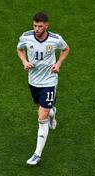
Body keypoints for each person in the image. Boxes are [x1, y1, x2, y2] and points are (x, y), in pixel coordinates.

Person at [17, 12, 70, 165]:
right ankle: (53, 112)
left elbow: (66, 49)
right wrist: (24, 62)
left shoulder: (55, 39)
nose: (37, 29)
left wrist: (58, 64)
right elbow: (20, 50)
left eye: (40, 26)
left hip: (49, 81)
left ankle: (37, 154)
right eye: (34, 26)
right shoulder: (26, 37)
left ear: (46, 25)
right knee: (41, 109)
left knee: (41, 118)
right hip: (33, 81)